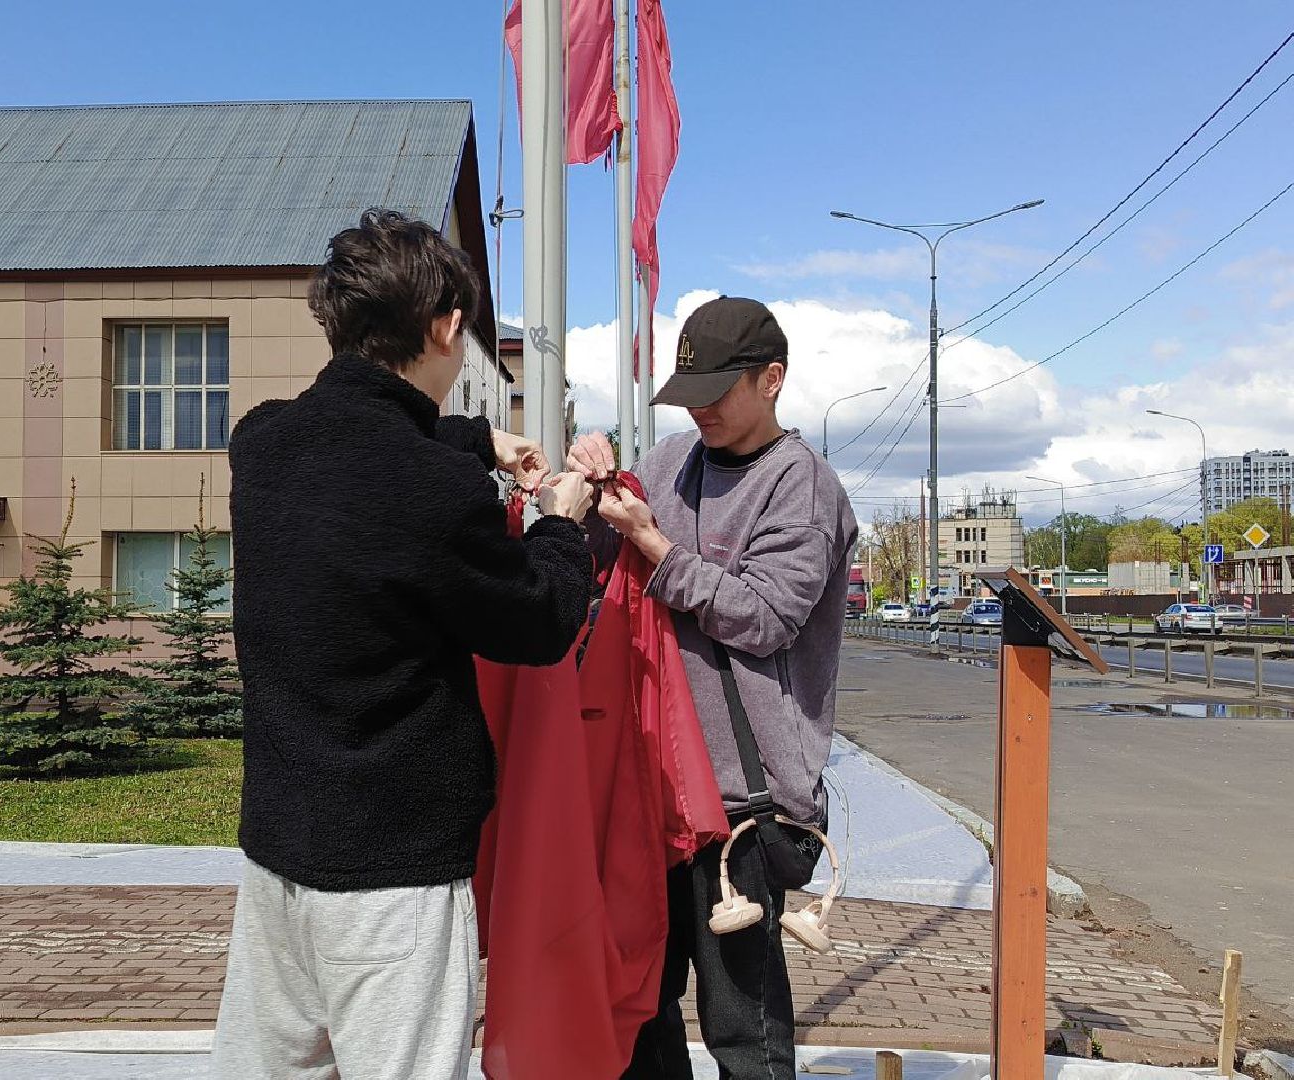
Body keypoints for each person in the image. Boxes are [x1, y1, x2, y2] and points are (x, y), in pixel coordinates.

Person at [213, 208, 595, 1080]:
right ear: (446, 326)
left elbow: (359, 442)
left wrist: (473, 440)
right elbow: (537, 621)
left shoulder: (261, 445)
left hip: (277, 851)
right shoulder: (432, 491)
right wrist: (559, 524)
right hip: (393, 875)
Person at [567, 296, 858, 1080]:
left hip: (743, 805)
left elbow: (763, 618)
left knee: (743, 1027)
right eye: (687, 395)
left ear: (772, 379)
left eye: (716, 393)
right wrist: (587, 482)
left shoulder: (803, 487)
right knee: (638, 1008)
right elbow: (602, 563)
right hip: (650, 785)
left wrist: (651, 540)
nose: (699, 411)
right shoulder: (667, 462)